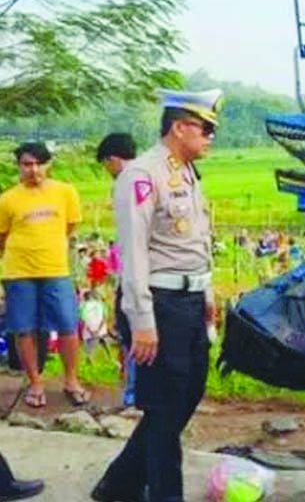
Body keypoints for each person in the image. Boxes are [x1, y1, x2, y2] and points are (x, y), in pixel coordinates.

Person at [91, 89, 222, 502]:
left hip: (189, 302)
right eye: (205, 129)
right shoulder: (141, 175)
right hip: (159, 306)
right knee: (165, 409)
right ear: (179, 127)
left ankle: (119, 483)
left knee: (188, 393)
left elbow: (196, 239)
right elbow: (132, 254)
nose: (210, 138)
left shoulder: (185, 171)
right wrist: (142, 321)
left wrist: (208, 291)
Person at [0, 141, 86, 409]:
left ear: (48, 165)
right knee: (24, 328)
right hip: (19, 272)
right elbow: (2, 237)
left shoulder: (65, 193)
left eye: (39, 164)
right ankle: (35, 382)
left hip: (56, 270)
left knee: (67, 325)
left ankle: (71, 380)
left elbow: (69, 227)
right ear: (19, 166)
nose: (34, 170)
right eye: (27, 164)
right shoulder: (7, 199)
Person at [97, 132, 138, 407]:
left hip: (135, 275)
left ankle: (135, 394)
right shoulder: (151, 175)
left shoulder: (125, 182)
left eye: (105, 165)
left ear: (112, 160)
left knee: (132, 335)